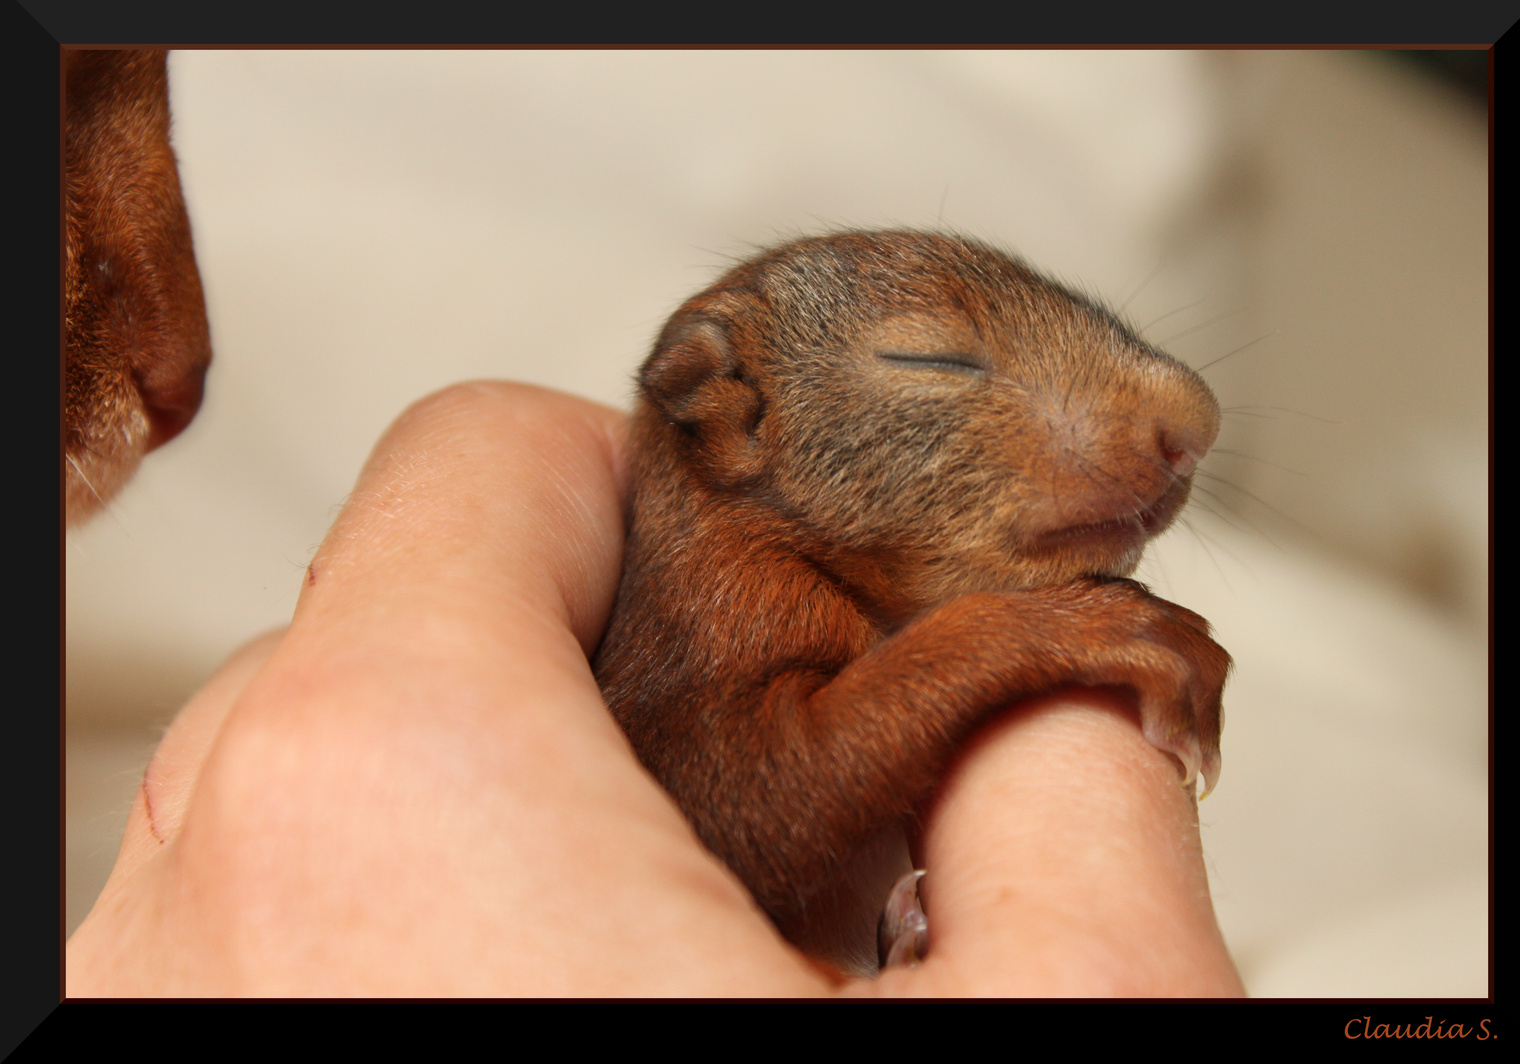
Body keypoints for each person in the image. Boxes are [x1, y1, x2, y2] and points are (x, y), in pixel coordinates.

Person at [65, 382, 1245, 997]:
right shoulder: (737, 588)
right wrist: (1017, 636)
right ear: (730, 416)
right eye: (935, 363)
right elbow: (767, 787)